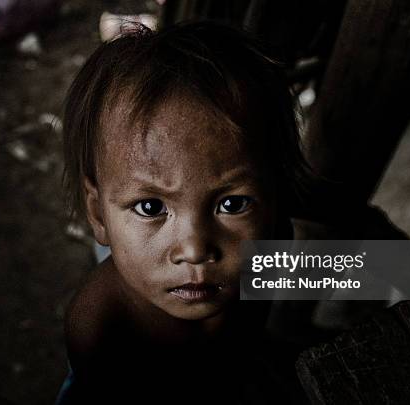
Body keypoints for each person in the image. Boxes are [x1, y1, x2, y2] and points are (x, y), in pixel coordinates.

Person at [60, 21, 311, 404]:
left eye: (232, 204)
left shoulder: (270, 245)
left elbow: (361, 271)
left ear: (274, 198)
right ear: (97, 214)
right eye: (151, 207)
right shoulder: (102, 329)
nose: (195, 250)